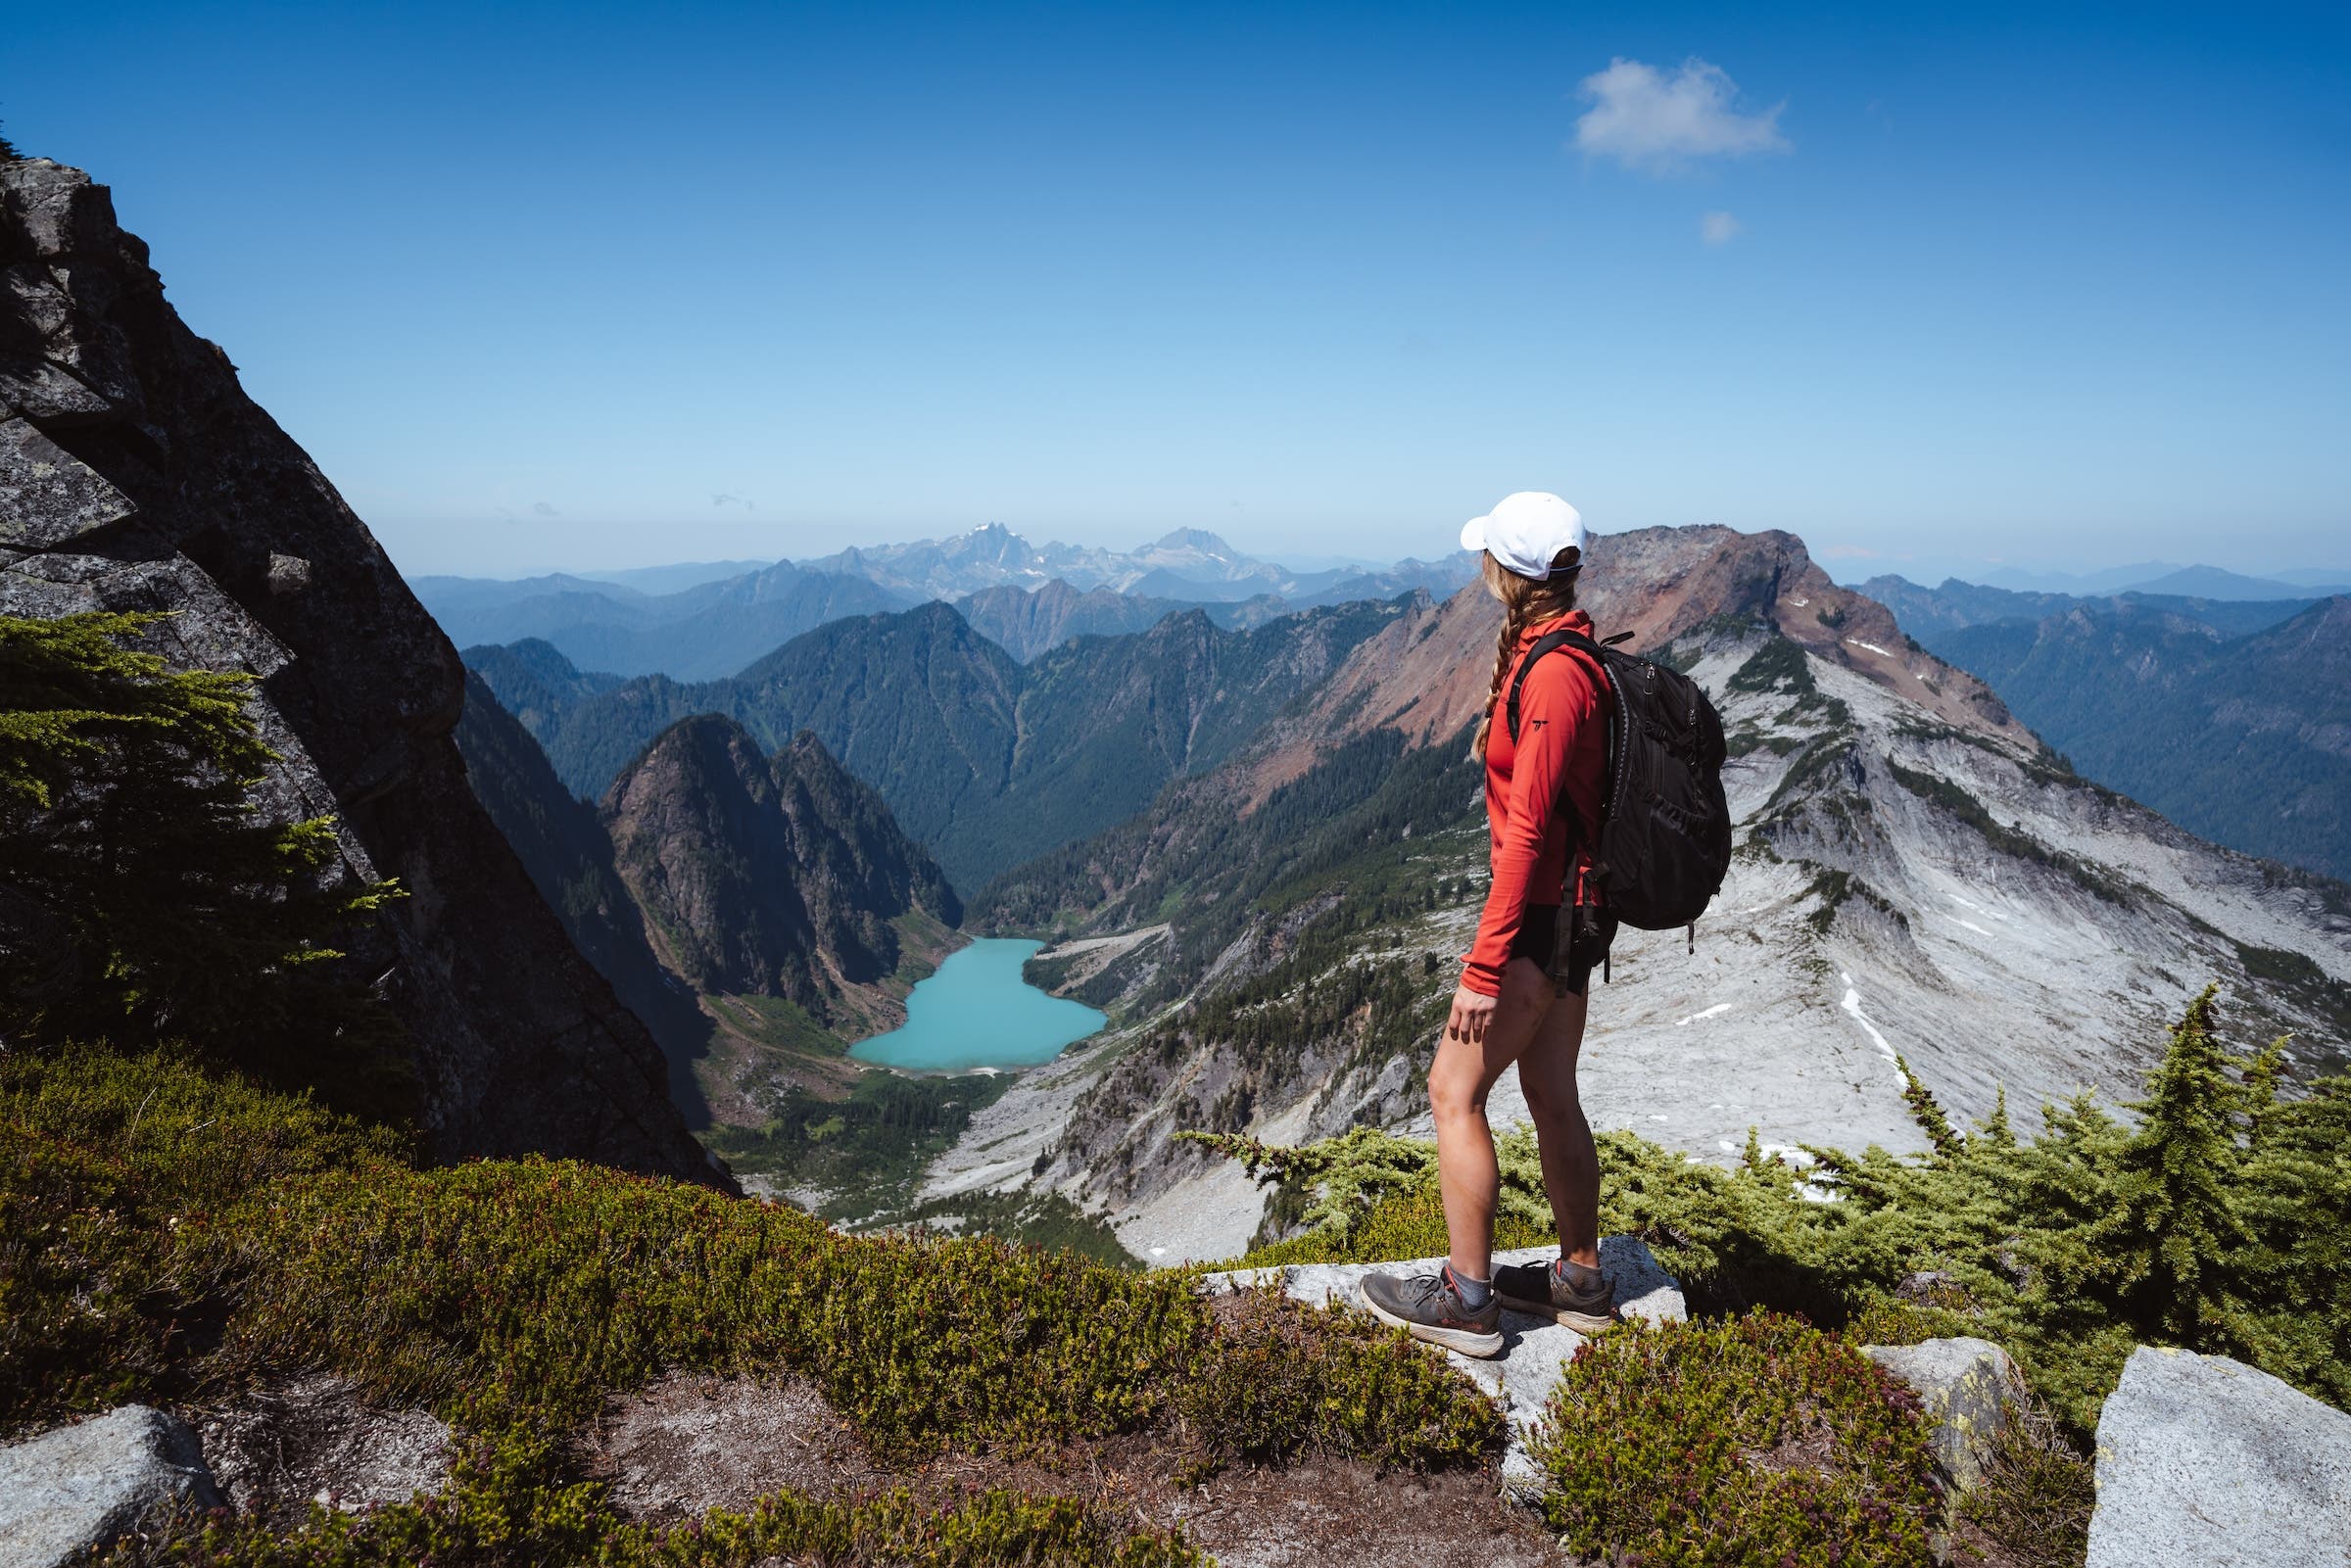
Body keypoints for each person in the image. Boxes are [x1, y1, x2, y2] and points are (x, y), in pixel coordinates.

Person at [1359, 492, 1617, 1357]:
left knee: (1451, 1091)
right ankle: (1580, 1279)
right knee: (1550, 1094)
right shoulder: (1568, 649)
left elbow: (1531, 835)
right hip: (1575, 918)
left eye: (1488, 558)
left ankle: (1469, 1300)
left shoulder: (1550, 676)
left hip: (1541, 921)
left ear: (1510, 571)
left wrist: (1482, 967)